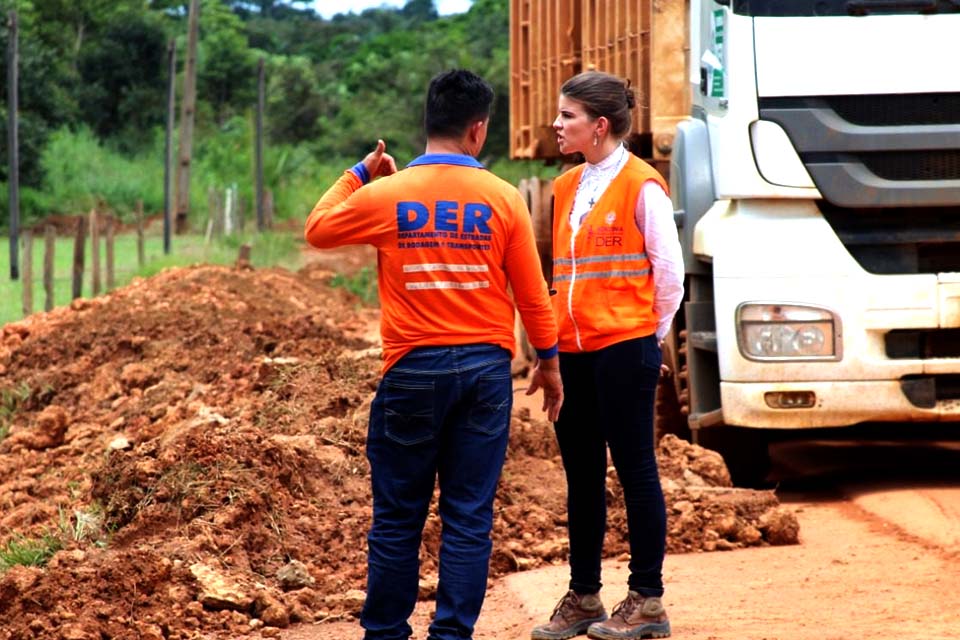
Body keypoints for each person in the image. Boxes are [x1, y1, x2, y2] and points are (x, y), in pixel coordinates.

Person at [304, 69, 564, 640]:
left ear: (428, 123)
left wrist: (360, 173)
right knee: (469, 518)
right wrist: (549, 362)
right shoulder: (500, 198)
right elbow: (531, 293)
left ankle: (387, 634)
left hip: (412, 372)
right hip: (484, 374)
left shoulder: (387, 195)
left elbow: (317, 228)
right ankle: (451, 636)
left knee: (398, 518)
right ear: (478, 130)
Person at [531, 71, 684, 640]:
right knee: (582, 476)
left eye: (567, 115)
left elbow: (669, 275)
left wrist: (651, 337)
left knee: (637, 471)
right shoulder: (566, 186)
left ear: (599, 126)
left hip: (624, 348)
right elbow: (561, 276)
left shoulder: (642, 185)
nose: (556, 124)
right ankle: (585, 596)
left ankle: (647, 600)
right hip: (572, 352)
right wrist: (548, 349)